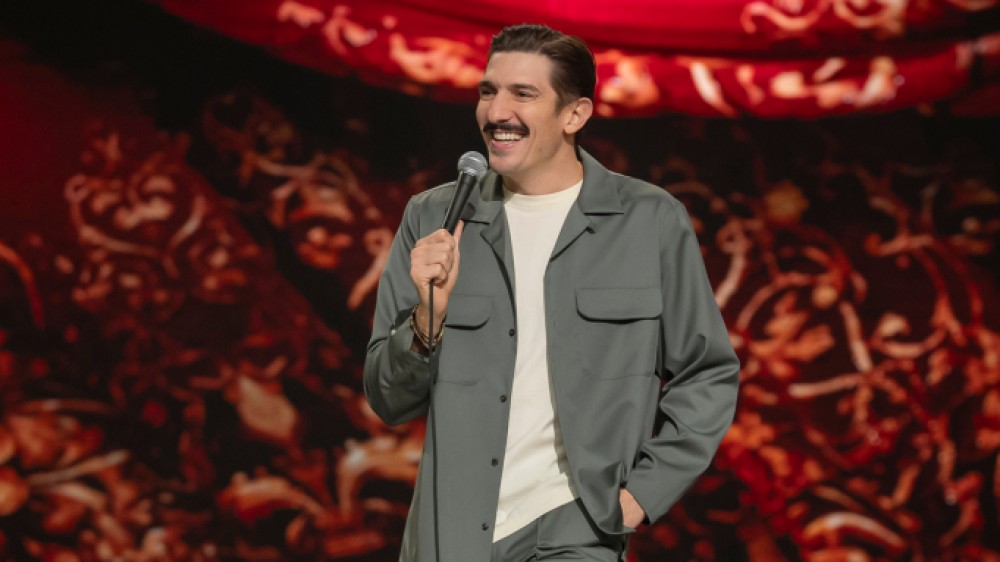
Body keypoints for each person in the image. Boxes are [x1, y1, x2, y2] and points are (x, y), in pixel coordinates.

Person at [364, 23, 740, 562]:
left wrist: (643, 496)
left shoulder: (649, 220)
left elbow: (708, 372)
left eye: (523, 93)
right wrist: (428, 320)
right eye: (488, 91)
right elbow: (387, 399)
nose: (496, 113)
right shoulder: (434, 219)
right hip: (450, 537)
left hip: (576, 530)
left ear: (575, 114)